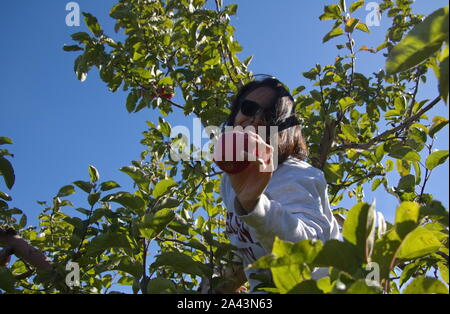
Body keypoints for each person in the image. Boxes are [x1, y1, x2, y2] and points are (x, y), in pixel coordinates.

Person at [214, 76, 340, 293]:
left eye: (271, 114)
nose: (256, 119)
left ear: (283, 128)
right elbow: (249, 242)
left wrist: (255, 206)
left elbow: (308, 251)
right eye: (249, 107)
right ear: (234, 116)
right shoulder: (230, 180)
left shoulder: (297, 175)